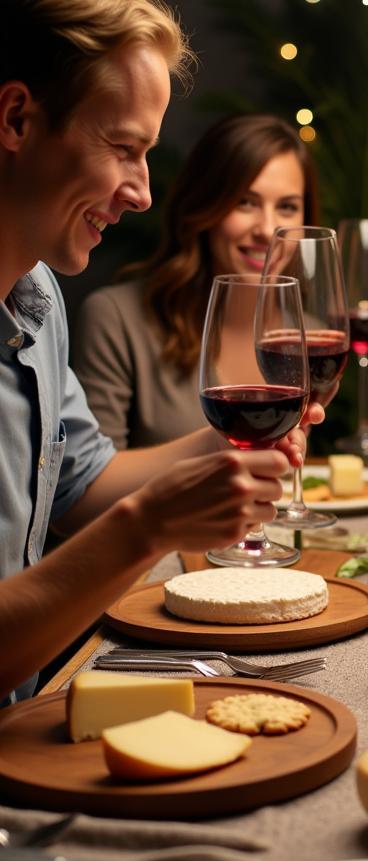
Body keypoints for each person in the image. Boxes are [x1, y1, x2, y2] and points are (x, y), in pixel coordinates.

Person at [0, 0, 320, 703]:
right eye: (123, 148)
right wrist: (147, 528)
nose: (143, 192)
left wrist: (221, 441)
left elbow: (83, 489)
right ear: (17, 120)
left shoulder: (39, 299)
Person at [72, 113, 318, 449]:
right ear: (205, 206)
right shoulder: (116, 319)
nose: (266, 230)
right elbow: (86, 485)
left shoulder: (310, 337)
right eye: (245, 202)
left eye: (287, 207)